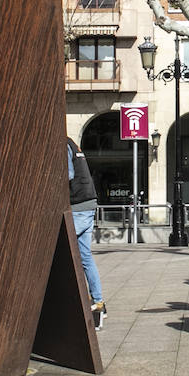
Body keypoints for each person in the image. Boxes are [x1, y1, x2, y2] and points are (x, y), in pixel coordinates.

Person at [67, 136, 106, 330]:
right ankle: (98, 303)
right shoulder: (72, 144)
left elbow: (66, 174)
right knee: (84, 256)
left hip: (78, 206)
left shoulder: (62, 145)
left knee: (61, 250)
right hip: (88, 203)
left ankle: (75, 304)